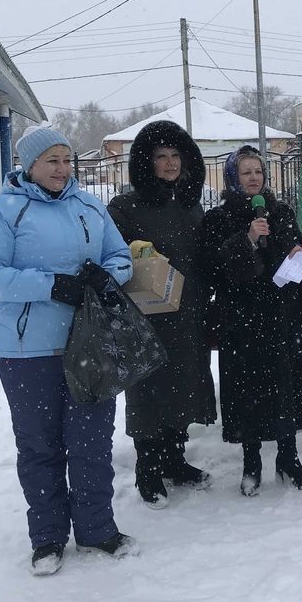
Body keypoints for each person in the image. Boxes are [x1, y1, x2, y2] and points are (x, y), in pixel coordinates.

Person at [0, 124, 136, 576]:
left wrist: (108, 275)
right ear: (29, 165)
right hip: (27, 351)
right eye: (51, 161)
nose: (62, 169)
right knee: (40, 445)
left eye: (66, 160)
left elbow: (121, 257)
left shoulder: (90, 206)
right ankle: (47, 538)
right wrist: (50, 285)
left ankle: (98, 529)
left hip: (90, 342)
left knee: (92, 443)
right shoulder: (4, 212)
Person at [107, 121, 217, 508]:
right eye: (161, 157)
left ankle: (174, 459)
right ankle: (147, 470)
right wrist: (143, 259)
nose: (170, 164)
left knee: (185, 385)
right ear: (146, 163)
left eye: (176, 156)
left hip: (190, 313)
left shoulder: (190, 205)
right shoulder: (125, 207)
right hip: (147, 316)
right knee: (148, 391)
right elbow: (116, 257)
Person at [202, 145, 302, 496]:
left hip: (282, 318)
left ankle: (289, 458)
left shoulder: (281, 211)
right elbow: (214, 271)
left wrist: (301, 255)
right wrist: (248, 240)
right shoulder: (218, 219)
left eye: (259, 172)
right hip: (242, 321)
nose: (254, 178)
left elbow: (301, 261)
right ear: (233, 177)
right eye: (246, 172)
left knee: (286, 388)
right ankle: (252, 463)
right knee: (246, 393)